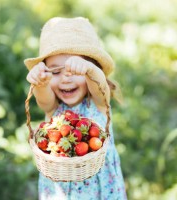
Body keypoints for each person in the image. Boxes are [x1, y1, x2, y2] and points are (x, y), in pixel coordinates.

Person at [25, 17, 127, 200]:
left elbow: (100, 85)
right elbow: (43, 99)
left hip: (100, 190)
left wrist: (89, 69)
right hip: (59, 190)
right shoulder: (54, 110)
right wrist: (40, 82)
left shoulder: (99, 102)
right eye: (56, 71)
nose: (65, 78)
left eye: (76, 71)